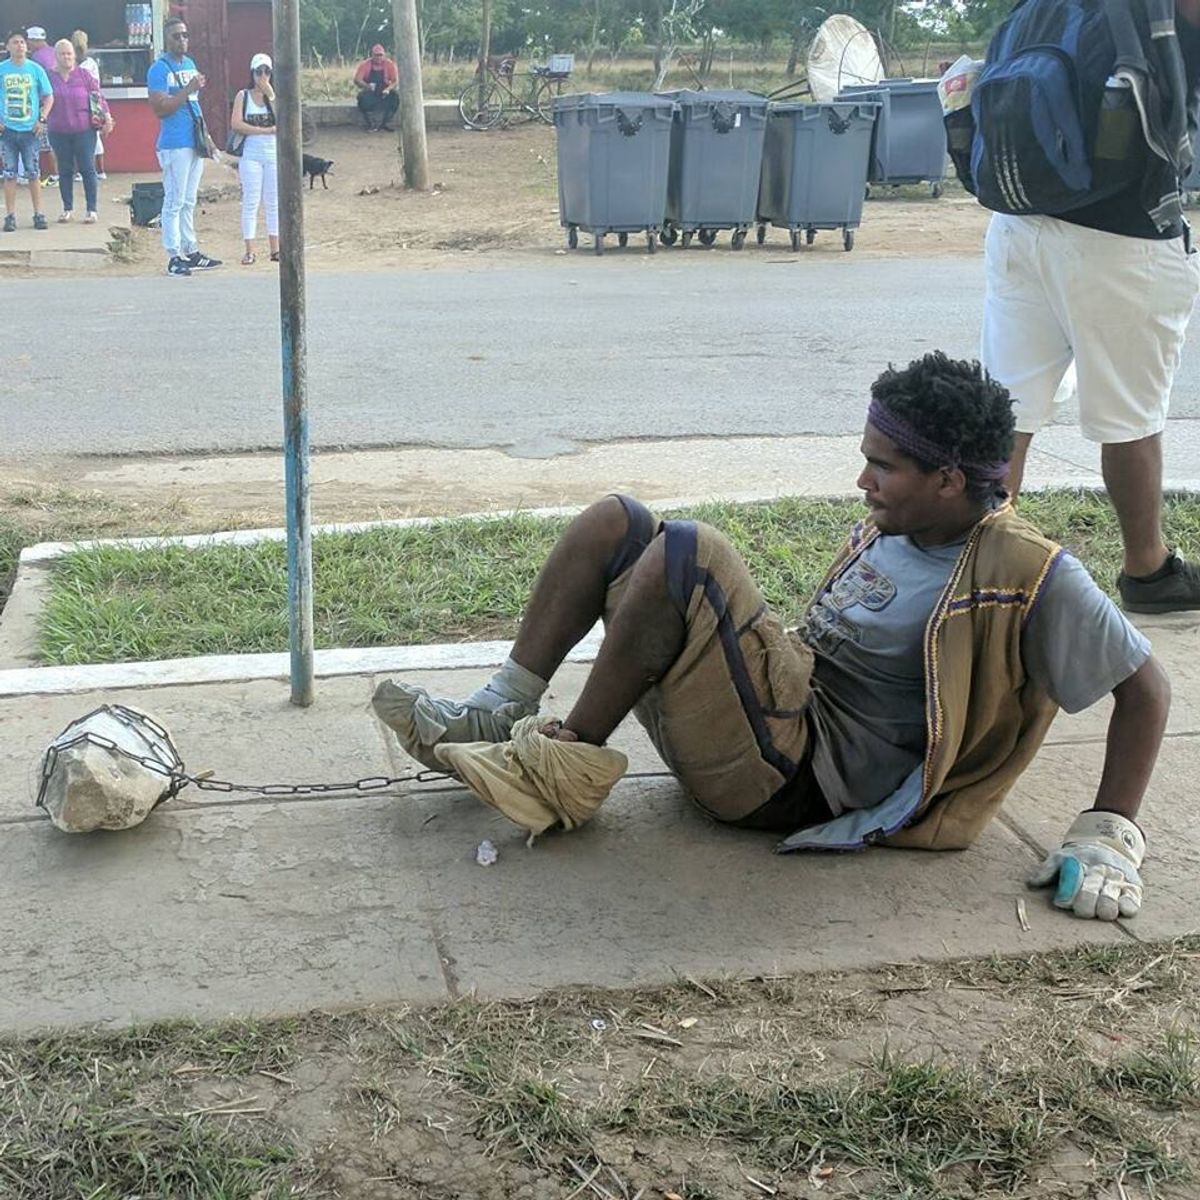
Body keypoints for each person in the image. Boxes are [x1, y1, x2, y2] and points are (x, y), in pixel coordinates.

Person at [375, 354, 1171, 924]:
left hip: (799, 781)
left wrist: (1109, 833)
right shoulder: (902, 523)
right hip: (779, 718)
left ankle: (563, 767)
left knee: (691, 550)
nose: (864, 481)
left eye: (882, 467)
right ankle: (500, 706)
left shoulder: (1027, 568)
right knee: (619, 520)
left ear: (950, 481)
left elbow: (1145, 688)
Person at [981, 0, 1200, 615]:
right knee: (1130, 420)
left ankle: (979, 573)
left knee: (1007, 409)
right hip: (1119, 238)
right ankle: (1148, 572)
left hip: (1018, 223)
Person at [146, 14, 221, 277]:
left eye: (185, 35)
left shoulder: (189, 63)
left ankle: (191, 249)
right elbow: (161, 108)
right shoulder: (159, 69)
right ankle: (173, 255)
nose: (182, 40)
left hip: (193, 140)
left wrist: (208, 137)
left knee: (189, 199)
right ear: (166, 40)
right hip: (173, 143)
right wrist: (188, 88)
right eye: (176, 36)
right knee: (174, 200)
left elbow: (195, 105)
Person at [47, 38, 110, 224]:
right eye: (62, 54)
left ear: (74, 55)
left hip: (84, 130)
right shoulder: (49, 76)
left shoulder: (84, 75)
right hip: (58, 131)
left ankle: (91, 209)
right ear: (56, 56)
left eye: (69, 53)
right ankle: (67, 208)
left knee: (87, 168)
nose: (66, 57)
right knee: (65, 170)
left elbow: (98, 97)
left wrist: (107, 117)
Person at [0, 31, 53, 231]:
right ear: (8, 47)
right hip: (7, 131)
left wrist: (42, 118)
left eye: (22, 42)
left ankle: (39, 214)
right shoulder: (2, 70)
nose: (20, 45)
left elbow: (49, 96)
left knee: (33, 173)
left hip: (31, 130)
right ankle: (10, 216)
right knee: (9, 173)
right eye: (15, 42)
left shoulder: (36, 69)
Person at [230, 53, 278, 265]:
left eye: (267, 71)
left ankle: (275, 248)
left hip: (272, 154)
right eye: (259, 72)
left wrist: (272, 95)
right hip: (251, 154)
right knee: (251, 200)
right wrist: (263, 130)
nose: (263, 76)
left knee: (273, 201)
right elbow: (236, 124)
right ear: (252, 73)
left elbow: (284, 120)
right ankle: (250, 249)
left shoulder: (273, 96)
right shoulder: (244, 96)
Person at [71, 30, 107, 179]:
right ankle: (99, 171)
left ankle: (83, 171)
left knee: (80, 137)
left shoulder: (75, 64)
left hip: (84, 103)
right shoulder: (90, 63)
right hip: (93, 103)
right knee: (94, 137)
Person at [25, 25, 57, 183]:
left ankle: (54, 174)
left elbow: (39, 84)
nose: (27, 45)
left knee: (46, 143)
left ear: (35, 40)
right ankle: (67, 173)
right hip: (58, 102)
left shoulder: (37, 57)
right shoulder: (54, 51)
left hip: (45, 103)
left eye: (28, 41)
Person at [354, 43, 399, 132]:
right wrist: (366, 86)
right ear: (372, 55)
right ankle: (371, 124)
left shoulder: (390, 64)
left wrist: (388, 89)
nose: (378, 57)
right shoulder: (365, 64)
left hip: (385, 91)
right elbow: (357, 79)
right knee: (361, 98)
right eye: (376, 55)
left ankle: (385, 123)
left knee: (395, 97)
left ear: (384, 55)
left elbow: (395, 80)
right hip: (370, 90)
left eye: (380, 55)